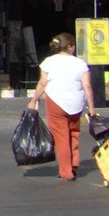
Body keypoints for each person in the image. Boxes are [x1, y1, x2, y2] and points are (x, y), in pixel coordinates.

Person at [28, 33, 96, 182]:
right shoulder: (80, 63)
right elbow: (87, 86)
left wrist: (34, 100)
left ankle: (66, 172)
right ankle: (73, 164)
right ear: (70, 46)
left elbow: (42, 83)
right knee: (73, 133)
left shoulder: (48, 62)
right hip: (77, 104)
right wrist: (91, 108)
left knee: (61, 137)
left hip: (56, 102)